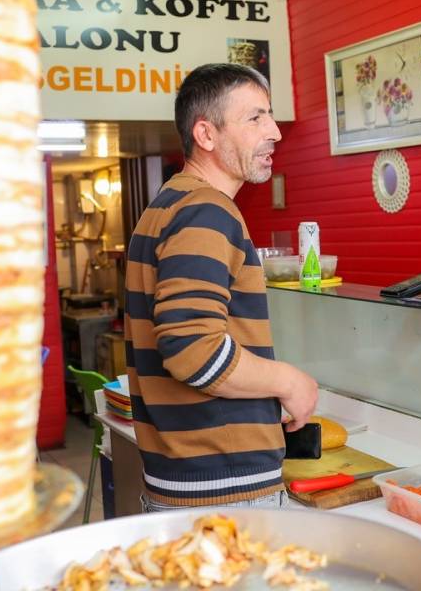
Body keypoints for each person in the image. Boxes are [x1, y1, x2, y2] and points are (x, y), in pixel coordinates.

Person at [125, 63, 318, 511]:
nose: (275, 132)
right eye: (255, 119)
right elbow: (193, 349)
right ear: (206, 135)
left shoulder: (168, 206)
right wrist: (289, 381)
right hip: (225, 491)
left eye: (269, 116)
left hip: (187, 481)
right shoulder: (206, 210)